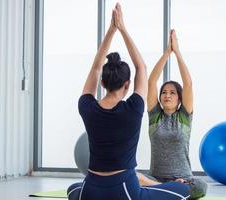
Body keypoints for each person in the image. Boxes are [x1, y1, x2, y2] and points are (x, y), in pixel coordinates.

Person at [67, 3, 190, 200]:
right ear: (127, 84)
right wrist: (122, 28)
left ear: (102, 82)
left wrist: (110, 31)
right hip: (124, 190)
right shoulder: (133, 108)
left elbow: (96, 67)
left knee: (73, 189)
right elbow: (141, 67)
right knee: (183, 191)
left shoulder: (87, 107)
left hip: (91, 189)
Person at [138, 29, 207, 199]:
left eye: (173, 92)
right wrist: (167, 52)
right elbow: (151, 81)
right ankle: (167, 188)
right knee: (132, 176)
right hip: (155, 178)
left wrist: (177, 52)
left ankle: (170, 189)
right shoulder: (155, 116)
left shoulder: (184, 117)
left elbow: (188, 84)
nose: (167, 95)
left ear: (179, 98)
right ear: (160, 97)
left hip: (184, 179)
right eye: (164, 92)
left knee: (202, 186)